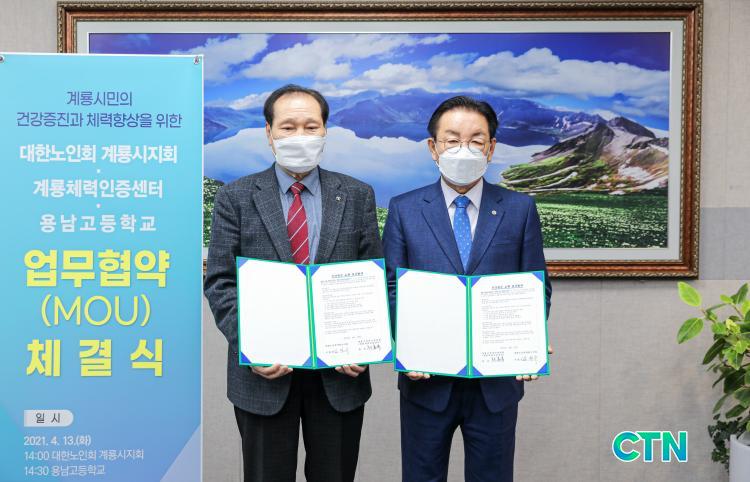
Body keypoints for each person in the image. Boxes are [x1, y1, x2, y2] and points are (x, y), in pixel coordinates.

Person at [204, 84, 382, 482]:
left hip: (339, 374)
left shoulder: (356, 195)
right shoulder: (236, 197)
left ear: (324, 131)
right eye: (288, 127)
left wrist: (364, 343)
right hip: (264, 374)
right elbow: (220, 282)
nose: (300, 136)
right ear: (269, 133)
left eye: (310, 126)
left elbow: (375, 277)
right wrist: (251, 344)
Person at [382, 95, 553, 482]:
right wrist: (407, 344)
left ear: (491, 149)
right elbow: (391, 287)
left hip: (495, 385)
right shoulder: (405, 208)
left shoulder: (519, 209)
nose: (465, 149)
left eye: (476, 140)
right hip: (426, 382)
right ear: (433, 147)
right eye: (452, 140)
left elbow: (535, 286)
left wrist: (529, 337)